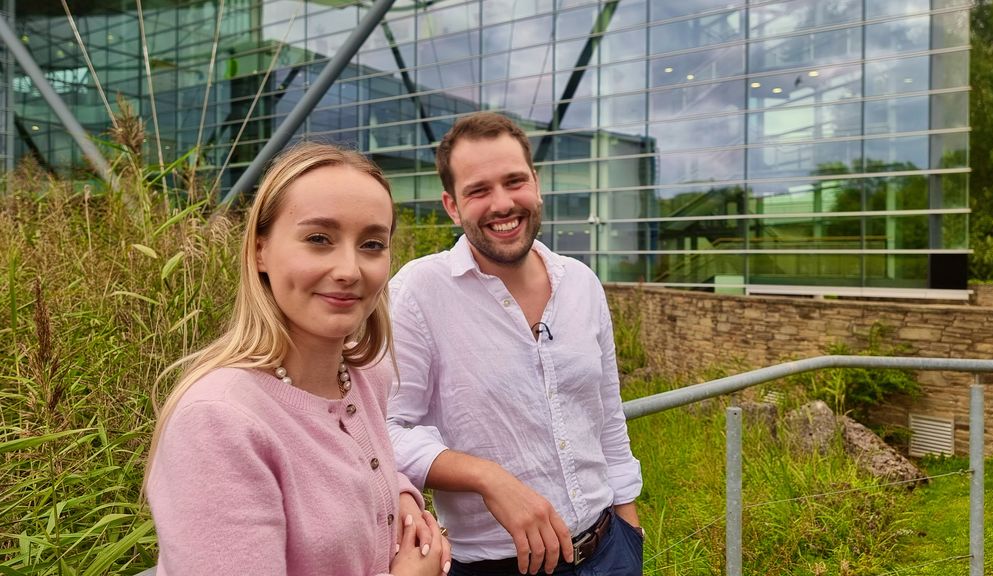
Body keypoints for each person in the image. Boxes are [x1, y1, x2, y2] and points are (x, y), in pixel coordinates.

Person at [145, 143, 451, 576]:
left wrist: (401, 498)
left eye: (371, 244)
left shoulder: (364, 376)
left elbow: (357, 471)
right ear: (260, 251)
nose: (349, 269)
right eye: (318, 239)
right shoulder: (219, 422)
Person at [387, 113, 644, 576]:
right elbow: (385, 429)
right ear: (451, 205)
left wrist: (629, 524)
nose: (502, 203)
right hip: (498, 566)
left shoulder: (582, 283)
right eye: (479, 191)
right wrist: (487, 478)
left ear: (536, 183)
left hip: (609, 551)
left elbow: (607, 415)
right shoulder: (418, 292)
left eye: (514, 181)